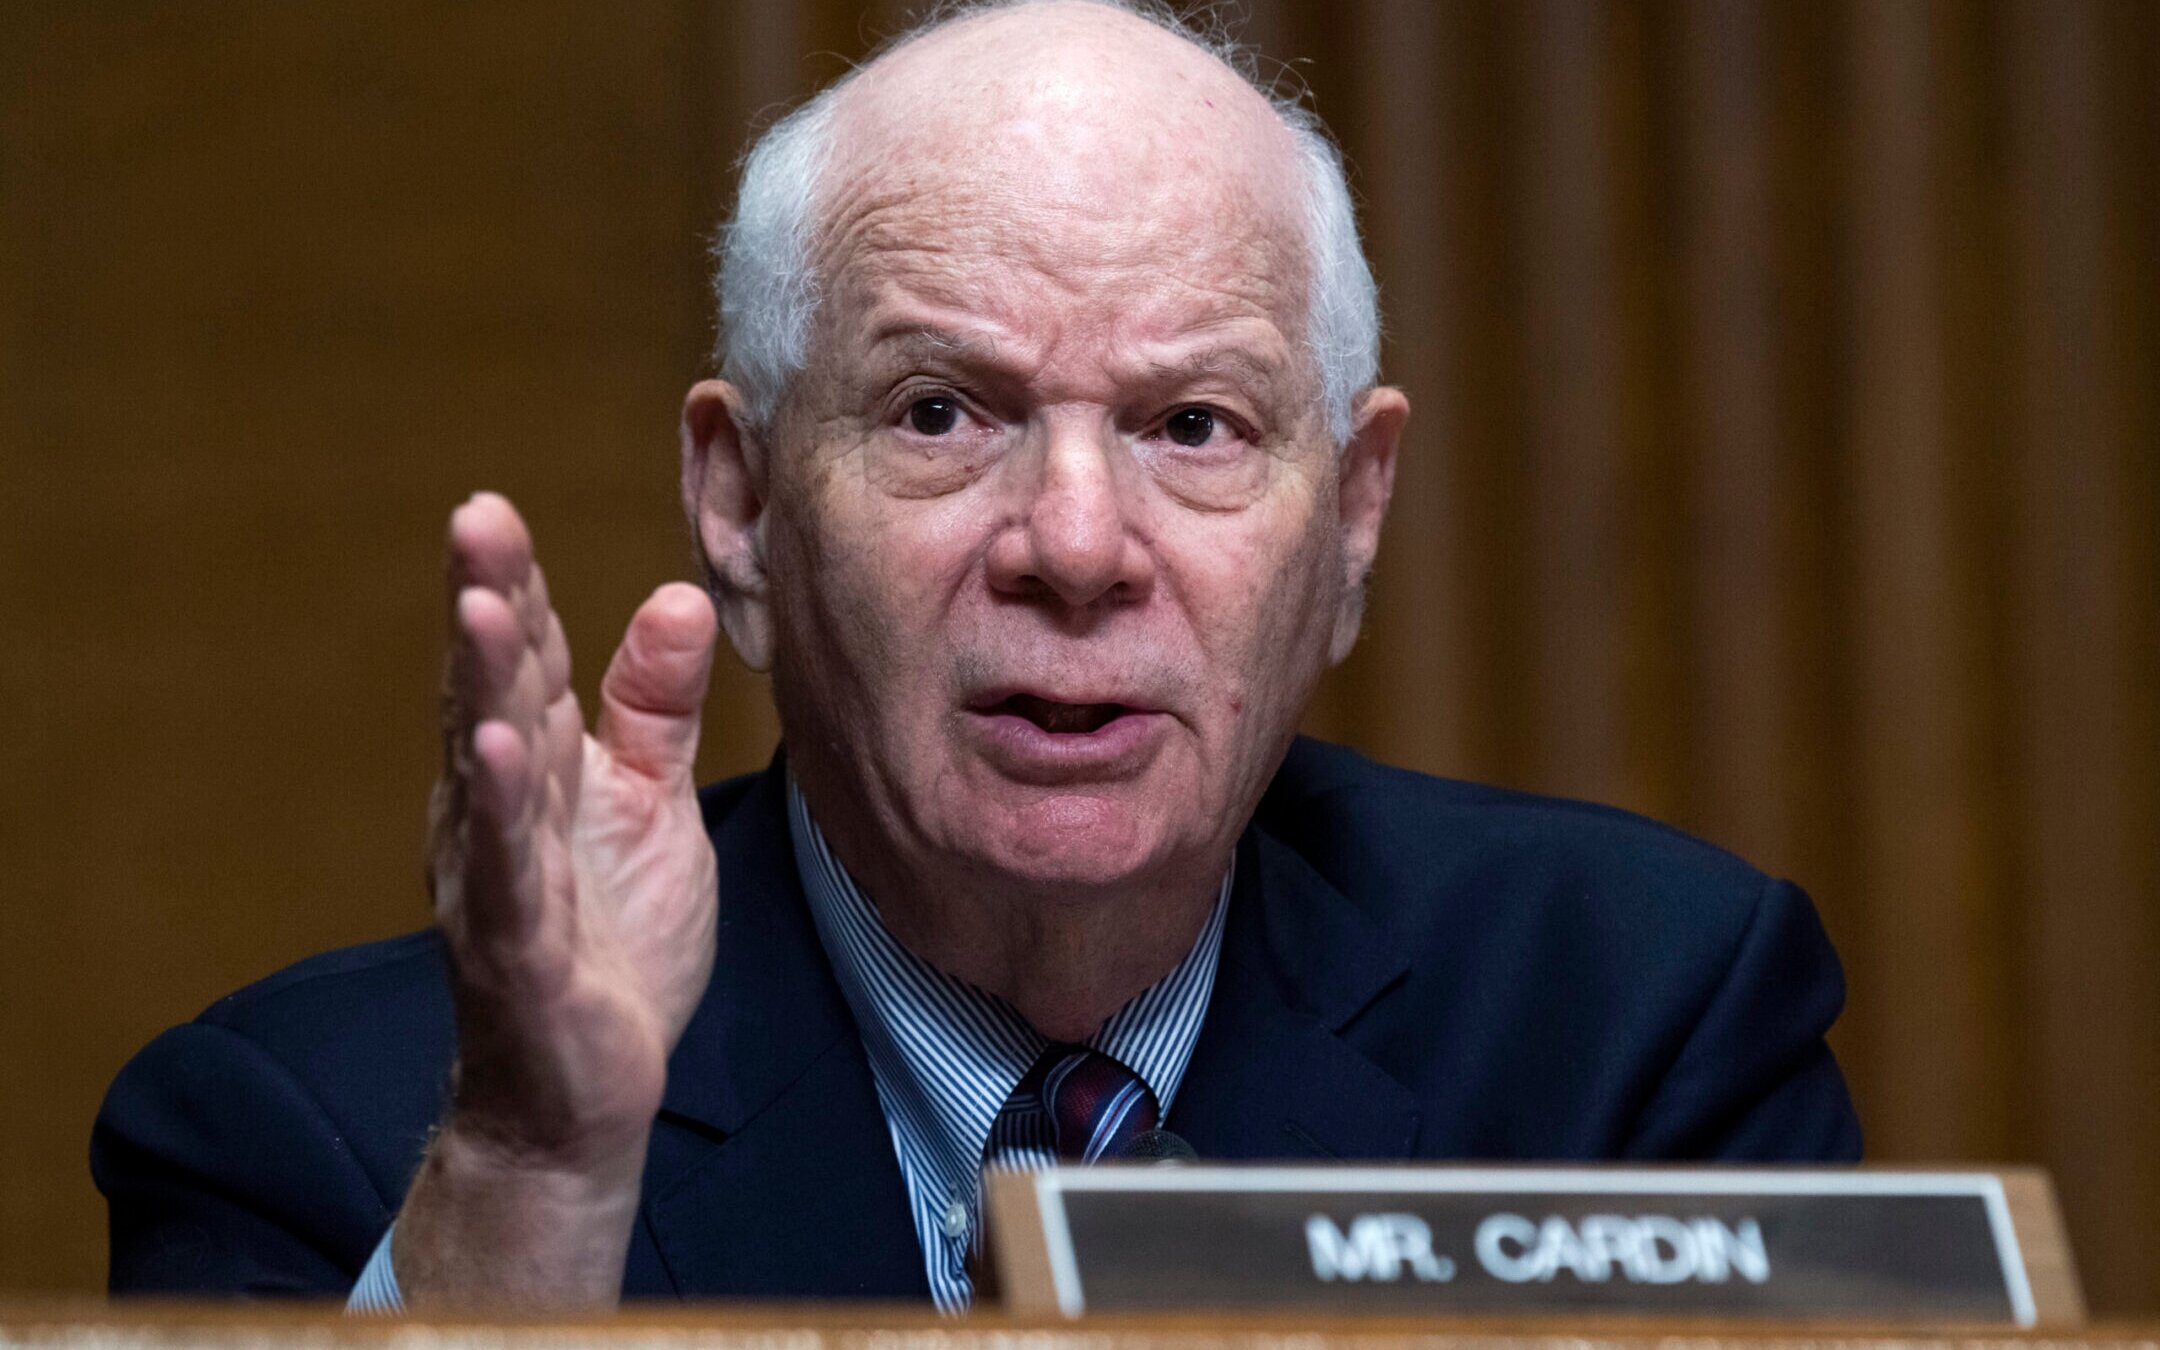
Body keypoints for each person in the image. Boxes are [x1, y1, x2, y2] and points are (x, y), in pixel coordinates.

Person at [93, 0, 1860, 1313]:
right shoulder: (316, 1136)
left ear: (1351, 519)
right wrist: (535, 1172)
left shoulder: (1637, 1042)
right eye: (941, 411)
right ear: (745, 503)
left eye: (1193, 422)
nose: (1076, 545)